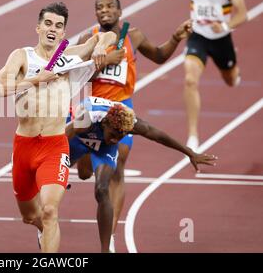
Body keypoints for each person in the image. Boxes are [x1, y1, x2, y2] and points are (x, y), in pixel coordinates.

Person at [0, 2, 116, 253]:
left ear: (63, 33)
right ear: (38, 27)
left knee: (50, 211)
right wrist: (37, 79)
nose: (52, 29)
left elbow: (107, 34)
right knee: (30, 216)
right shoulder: (22, 56)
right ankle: (42, 231)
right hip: (24, 146)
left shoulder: (69, 57)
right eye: (48, 24)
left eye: (58, 26)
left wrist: (100, 45)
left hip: (54, 146)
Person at [74, 0, 193, 252]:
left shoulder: (133, 35)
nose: (104, 10)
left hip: (122, 110)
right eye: (99, 7)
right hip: (93, 111)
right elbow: (74, 76)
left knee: (115, 172)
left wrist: (175, 37)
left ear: (119, 11)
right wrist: (101, 62)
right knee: (83, 173)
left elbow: (160, 56)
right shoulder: (88, 38)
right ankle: (83, 158)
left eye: (109, 6)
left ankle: (111, 233)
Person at [66, 96, 217, 252]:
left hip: (103, 147)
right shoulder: (87, 118)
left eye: (120, 136)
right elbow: (60, 138)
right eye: (114, 134)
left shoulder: (127, 124)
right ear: (105, 123)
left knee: (102, 190)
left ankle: (105, 250)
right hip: (78, 137)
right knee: (78, 174)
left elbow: (157, 134)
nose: (115, 139)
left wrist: (190, 153)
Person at [141, 0, 248, 151]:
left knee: (231, 80)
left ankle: (234, 70)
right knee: (190, 80)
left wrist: (225, 26)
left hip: (221, 39)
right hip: (197, 36)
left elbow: (242, 14)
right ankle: (193, 135)